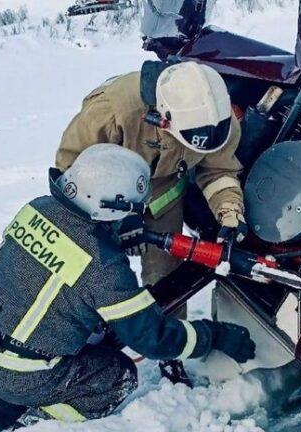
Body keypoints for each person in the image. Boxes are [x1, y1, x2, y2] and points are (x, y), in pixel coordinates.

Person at [0, 144, 256, 432]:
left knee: (10, 378)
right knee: (116, 374)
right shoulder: (103, 269)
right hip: (28, 373)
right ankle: (34, 421)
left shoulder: (36, 209)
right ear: (111, 208)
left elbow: (64, 256)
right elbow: (152, 338)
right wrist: (214, 336)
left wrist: (109, 236)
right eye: (130, 213)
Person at [56, 61, 247, 384]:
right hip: (100, 193)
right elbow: (71, 170)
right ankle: (79, 343)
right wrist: (122, 217)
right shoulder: (112, 111)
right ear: (162, 118)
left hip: (163, 192)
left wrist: (229, 212)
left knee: (166, 275)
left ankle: (170, 354)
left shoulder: (218, 121)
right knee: (94, 273)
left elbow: (218, 170)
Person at [140, 0, 213, 60]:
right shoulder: (188, 4)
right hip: (183, 42)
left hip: (193, 43)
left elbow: (202, 20)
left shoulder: (202, 5)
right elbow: (180, 18)